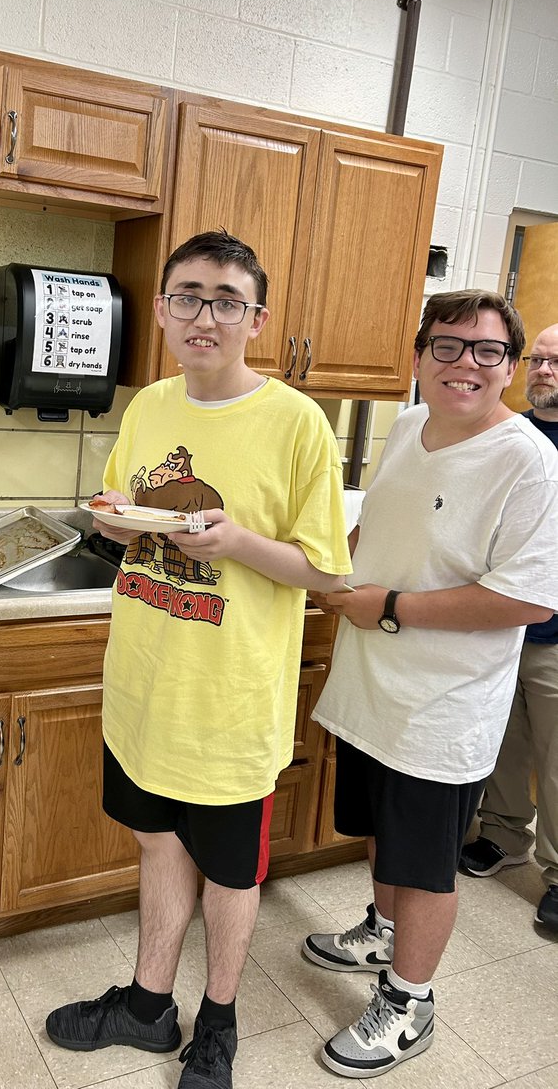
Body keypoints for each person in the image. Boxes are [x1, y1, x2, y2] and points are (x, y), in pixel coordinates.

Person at [45, 231, 352, 1089]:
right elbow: (123, 503)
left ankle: (217, 1023)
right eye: (186, 296)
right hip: (143, 688)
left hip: (230, 703)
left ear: (256, 317)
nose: (203, 315)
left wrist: (242, 543)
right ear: (166, 310)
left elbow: (327, 569)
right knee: (157, 847)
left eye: (225, 299)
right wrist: (112, 517)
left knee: (229, 868)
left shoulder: (297, 423)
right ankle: (148, 1008)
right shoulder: (148, 405)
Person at [302, 292, 558, 1079]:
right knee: (385, 835)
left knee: (425, 862)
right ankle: (381, 930)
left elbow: (529, 596)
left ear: (510, 369)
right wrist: (325, 562)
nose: (464, 365)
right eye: (447, 347)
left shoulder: (527, 460)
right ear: (419, 356)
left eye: (487, 352)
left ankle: (410, 1001)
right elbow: (381, 526)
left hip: (442, 706)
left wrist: (389, 607)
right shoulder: (411, 426)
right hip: (373, 685)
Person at [459, 323, 558, 931]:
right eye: (539, 360)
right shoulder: (509, 434)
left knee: (556, 759)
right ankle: (503, 836)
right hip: (503, 624)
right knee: (505, 740)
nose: (544, 370)